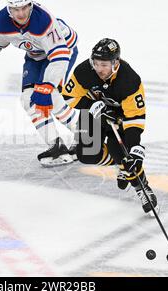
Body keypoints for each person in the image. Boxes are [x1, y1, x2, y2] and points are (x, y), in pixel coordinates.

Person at [0, 0, 79, 167]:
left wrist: (47, 87)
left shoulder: (43, 22)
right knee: (28, 100)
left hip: (61, 53)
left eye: (24, 8)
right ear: (9, 9)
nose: (21, 13)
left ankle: (87, 136)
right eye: (15, 9)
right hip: (35, 56)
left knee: (50, 96)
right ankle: (56, 145)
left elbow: (60, 55)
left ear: (30, 5)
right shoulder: (2, 22)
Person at [61, 38, 159, 216]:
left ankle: (142, 187)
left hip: (120, 120)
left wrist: (134, 148)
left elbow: (134, 119)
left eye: (104, 64)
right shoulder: (84, 71)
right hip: (93, 113)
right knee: (87, 155)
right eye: (96, 63)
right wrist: (91, 106)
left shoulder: (129, 80)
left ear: (116, 63)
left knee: (129, 157)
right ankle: (120, 163)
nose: (99, 69)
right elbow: (68, 96)